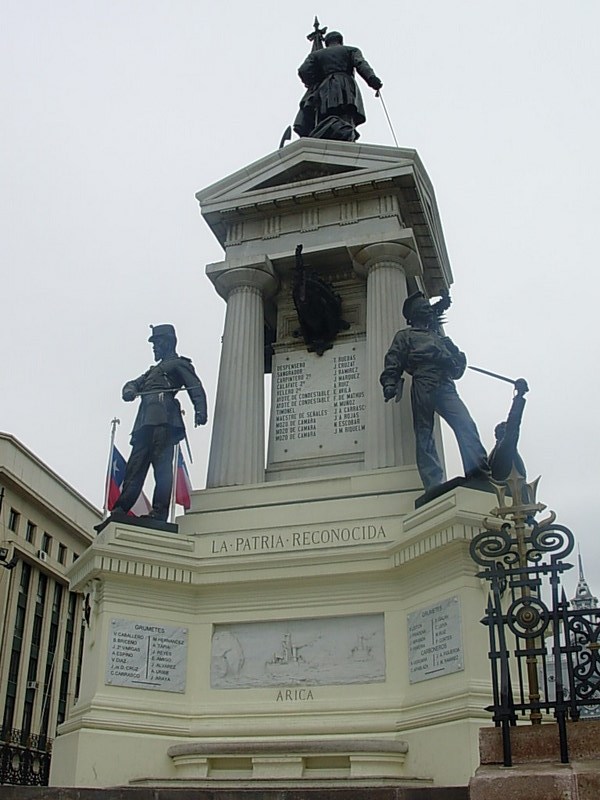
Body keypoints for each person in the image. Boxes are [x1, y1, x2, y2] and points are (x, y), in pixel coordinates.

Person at [380, 292, 490, 492]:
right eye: (423, 306)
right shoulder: (405, 336)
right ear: (413, 314)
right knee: (424, 433)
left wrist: (455, 353)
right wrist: (390, 381)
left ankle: (479, 474)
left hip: (446, 385)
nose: (428, 308)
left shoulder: (440, 338)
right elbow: (394, 360)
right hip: (424, 381)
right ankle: (433, 484)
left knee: (466, 424)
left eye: (427, 306)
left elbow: (457, 371)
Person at [111, 324, 207, 522]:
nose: (154, 347)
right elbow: (132, 384)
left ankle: (159, 511)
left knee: (162, 468)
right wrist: (128, 390)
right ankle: (120, 508)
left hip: (165, 421)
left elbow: (194, 386)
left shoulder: (178, 364)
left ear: (168, 342)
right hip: (144, 423)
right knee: (134, 467)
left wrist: (200, 410)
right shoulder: (152, 371)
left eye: (157, 343)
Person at [294, 30, 382, 141]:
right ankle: (346, 137)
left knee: (326, 116)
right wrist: (372, 79)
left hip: (325, 88)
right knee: (345, 115)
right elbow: (361, 64)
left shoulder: (317, 55)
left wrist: (313, 81)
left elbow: (303, 70)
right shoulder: (351, 50)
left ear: (327, 42)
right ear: (340, 41)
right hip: (346, 86)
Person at [488, 378, 529, 482]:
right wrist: (519, 397)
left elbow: (512, 425)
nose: (507, 427)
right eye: (504, 427)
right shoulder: (503, 449)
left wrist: (519, 397)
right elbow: (513, 423)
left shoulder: (497, 453)